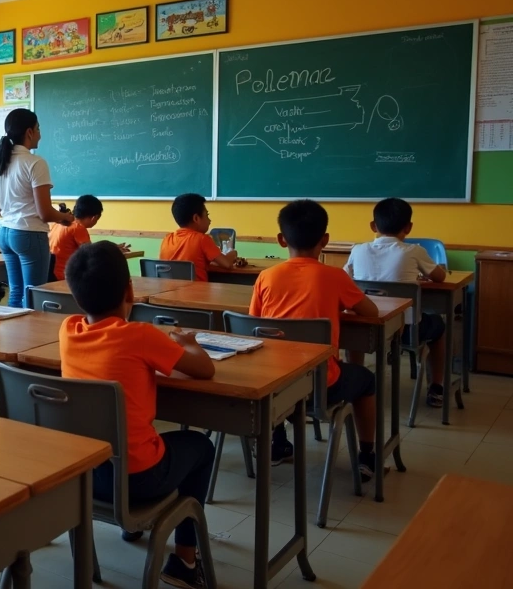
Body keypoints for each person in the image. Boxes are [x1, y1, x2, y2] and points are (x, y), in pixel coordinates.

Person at [61, 241, 216, 589]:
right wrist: (189, 342)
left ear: (76, 296)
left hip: (85, 472)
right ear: (130, 290)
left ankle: (130, 525)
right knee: (201, 447)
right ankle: (185, 560)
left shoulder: (68, 330)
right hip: (139, 479)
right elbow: (204, 370)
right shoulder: (141, 335)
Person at [250, 200, 384, 480]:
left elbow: (254, 326)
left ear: (280, 240)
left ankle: (277, 441)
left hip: (273, 383)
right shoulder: (334, 276)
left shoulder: (266, 277)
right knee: (367, 380)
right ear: (325, 240)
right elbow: (371, 312)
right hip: (320, 386)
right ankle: (368, 455)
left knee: (277, 355)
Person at [344, 198, 448, 407]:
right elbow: (440, 277)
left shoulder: (358, 250)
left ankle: (353, 387)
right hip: (407, 330)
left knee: (355, 325)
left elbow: (347, 278)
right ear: (408, 228)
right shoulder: (414, 251)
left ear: (373, 226)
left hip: (368, 328)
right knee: (440, 327)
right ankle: (436, 387)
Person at [0, 108, 74, 307]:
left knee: (16, 292)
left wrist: (16, 213)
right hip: (29, 234)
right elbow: (44, 212)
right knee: (34, 294)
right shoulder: (35, 163)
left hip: (5, 232)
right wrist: (65, 217)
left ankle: (13, 338)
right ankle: (29, 338)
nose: (40, 135)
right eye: (38, 129)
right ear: (29, 132)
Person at [160, 193, 245, 281]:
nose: (209, 220)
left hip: (169, 293)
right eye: (207, 215)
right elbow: (227, 264)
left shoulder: (167, 239)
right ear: (196, 218)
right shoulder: (202, 239)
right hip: (198, 293)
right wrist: (233, 253)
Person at [48, 194, 129, 281]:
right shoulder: (78, 227)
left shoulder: (59, 223)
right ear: (94, 218)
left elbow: (89, 248)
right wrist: (112, 250)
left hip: (49, 273)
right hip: (64, 276)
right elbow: (91, 253)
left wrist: (113, 247)